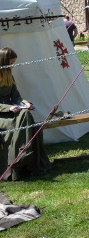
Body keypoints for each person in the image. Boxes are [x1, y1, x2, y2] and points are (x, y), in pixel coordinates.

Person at [0, 48, 51, 181]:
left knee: (26, 114)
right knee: (25, 119)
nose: (13, 65)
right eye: (11, 62)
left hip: (12, 111)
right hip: (2, 114)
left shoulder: (9, 75)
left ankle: (27, 160)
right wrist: (9, 107)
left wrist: (25, 103)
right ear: (3, 61)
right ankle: (20, 161)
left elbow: (16, 97)